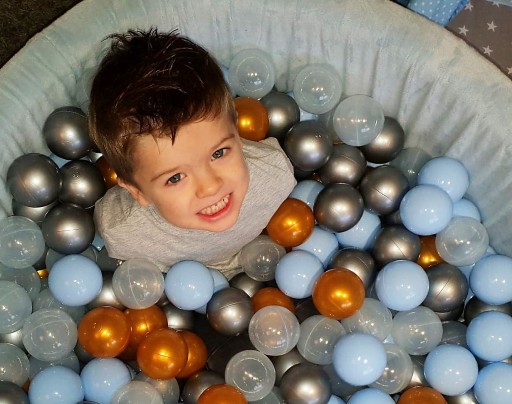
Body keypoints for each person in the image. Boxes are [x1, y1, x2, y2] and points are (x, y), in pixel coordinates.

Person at [89, 29, 296, 278]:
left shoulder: (275, 173)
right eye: (175, 178)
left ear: (236, 133)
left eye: (218, 153)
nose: (210, 187)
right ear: (137, 192)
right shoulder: (124, 233)